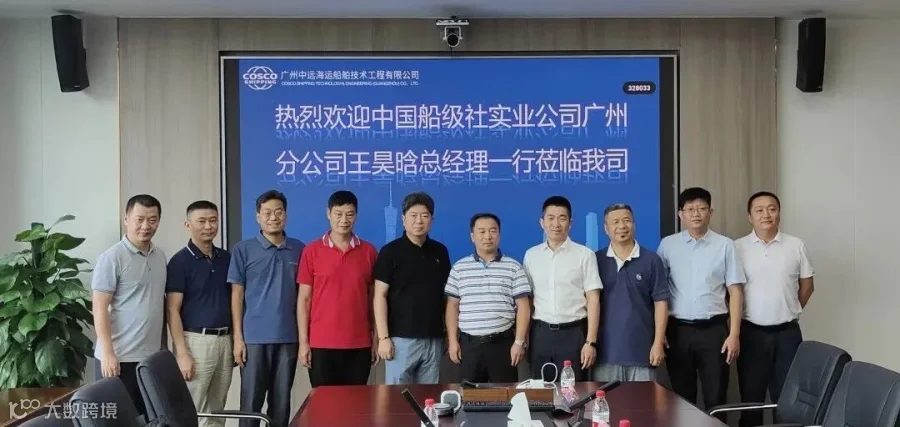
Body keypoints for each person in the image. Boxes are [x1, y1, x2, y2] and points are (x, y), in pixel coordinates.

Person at [657, 187, 745, 418]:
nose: (696, 214)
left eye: (701, 208)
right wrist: (660, 332)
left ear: (710, 212)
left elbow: (735, 291)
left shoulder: (725, 245)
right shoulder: (667, 245)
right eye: (690, 209)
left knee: (716, 397)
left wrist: (734, 334)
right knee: (682, 399)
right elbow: (659, 293)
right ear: (681, 214)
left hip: (714, 331)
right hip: (678, 331)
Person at [734, 191, 814, 427]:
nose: (766, 214)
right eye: (759, 210)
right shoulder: (737, 247)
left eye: (772, 209)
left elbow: (807, 286)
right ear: (750, 216)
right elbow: (731, 291)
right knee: (751, 396)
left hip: (787, 333)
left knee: (787, 397)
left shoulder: (796, 245)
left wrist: (790, 308)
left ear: (779, 213)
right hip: (751, 332)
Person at [228, 190, 304, 427]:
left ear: (286, 216)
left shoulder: (299, 249)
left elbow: (304, 297)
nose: (273, 217)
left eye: (279, 212)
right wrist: (238, 338)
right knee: (251, 404)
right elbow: (237, 294)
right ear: (258, 216)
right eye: (268, 212)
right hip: (254, 339)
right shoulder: (243, 249)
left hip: (288, 337)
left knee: (281, 405)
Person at [91, 194, 167, 417]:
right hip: (119, 358)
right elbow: (99, 307)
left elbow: (158, 304)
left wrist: (163, 347)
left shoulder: (160, 256)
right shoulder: (112, 258)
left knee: (149, 418)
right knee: (119, 419)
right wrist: (108, 353)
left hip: (149, 358)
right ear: (126, 219)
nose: (146, 226)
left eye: (152, 220)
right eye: (139, 219)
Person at [297, 190, 378, 387]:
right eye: (338, 214)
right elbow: (304, 299)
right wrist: (303, 342)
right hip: (321, 343)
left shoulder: (369, 251)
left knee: (356, 402)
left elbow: (374, 299)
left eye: (349, 214)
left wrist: (376, 338)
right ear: (328, 213)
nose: (344, 220)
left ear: (356, 215)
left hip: (359, 343)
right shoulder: (311, 251)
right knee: (323, 402)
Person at [165, 201, 232, 427]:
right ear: (188, 224)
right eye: (201, 221)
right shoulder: (179, 262)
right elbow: (172, 310)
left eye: (213, 221)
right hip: (196, 342)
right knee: (194, 409)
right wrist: (182, 353)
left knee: (218, 409)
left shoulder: (226, 258)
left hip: (225, 340)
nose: (208, 226)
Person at [373, 191, 451, 385]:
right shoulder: (390, 252)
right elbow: (379, 296)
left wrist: (449, 333)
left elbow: (447, 297)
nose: (419, 221)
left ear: (432, 219)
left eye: (424, 216)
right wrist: (383, 337)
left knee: (429, 396)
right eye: (413, 215)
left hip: (433, 338)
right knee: (397, 397)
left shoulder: (440, 251)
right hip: (400, 339)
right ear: (403, 219)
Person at [445, 213, 531, 383]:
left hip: (502, 345)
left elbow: (524, 307)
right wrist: (453, 341)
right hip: (469, 346)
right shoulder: (459, 268)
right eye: (482, 231)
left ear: (499, 234)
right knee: (469, 396)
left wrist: (519, 342)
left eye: (492, 231)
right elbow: (452, 306)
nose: (487, 236)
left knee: (506, 395)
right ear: (472, 236)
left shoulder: (513, 267)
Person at [524, 196, 603, 381]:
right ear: (542, 222)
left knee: (573, 390)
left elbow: (593, 299)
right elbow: (528, 300)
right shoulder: (531, 255)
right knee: (540, 389)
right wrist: (524, 338)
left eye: (562, 218)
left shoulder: (585, 255)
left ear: (570, 222)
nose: (556, 224)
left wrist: (590, 341)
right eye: (550, 218)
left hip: (574, 333)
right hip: (540, 334)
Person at [592, 203, 669, 382]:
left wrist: (658, 343)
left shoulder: (651, 260)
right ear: (606, 228)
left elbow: (661, 303)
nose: (622, 226)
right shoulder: (595, 260)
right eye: (615, 222)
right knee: (606, 400)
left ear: (634, 224)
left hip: (642, 353)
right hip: (605, 355)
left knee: (643, 400)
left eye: (626, 220)